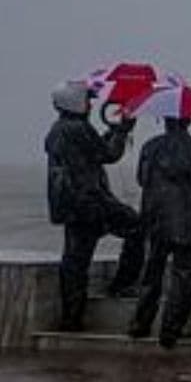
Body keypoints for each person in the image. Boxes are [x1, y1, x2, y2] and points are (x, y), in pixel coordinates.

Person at [44, 80, 145, 331]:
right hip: (91, 203)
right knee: (137, 226)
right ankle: (123, 284)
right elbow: (108, 154)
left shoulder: (59, 130)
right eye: (88, 100)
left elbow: (94, 151)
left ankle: (72, 317)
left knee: (75, 262)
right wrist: (122, 130)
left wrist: (112, 131)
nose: (90, 104)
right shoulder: (78, 128)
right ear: (76, 103)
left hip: (71, 206)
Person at [130, 116, 191, 348]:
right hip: (190, 223)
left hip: (157, 220)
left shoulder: (151, 147)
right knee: (184, 277)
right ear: (189, 120)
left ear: (164, 120)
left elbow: (141, 179)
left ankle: (140, 324)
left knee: (152, 274)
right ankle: (171, 331)